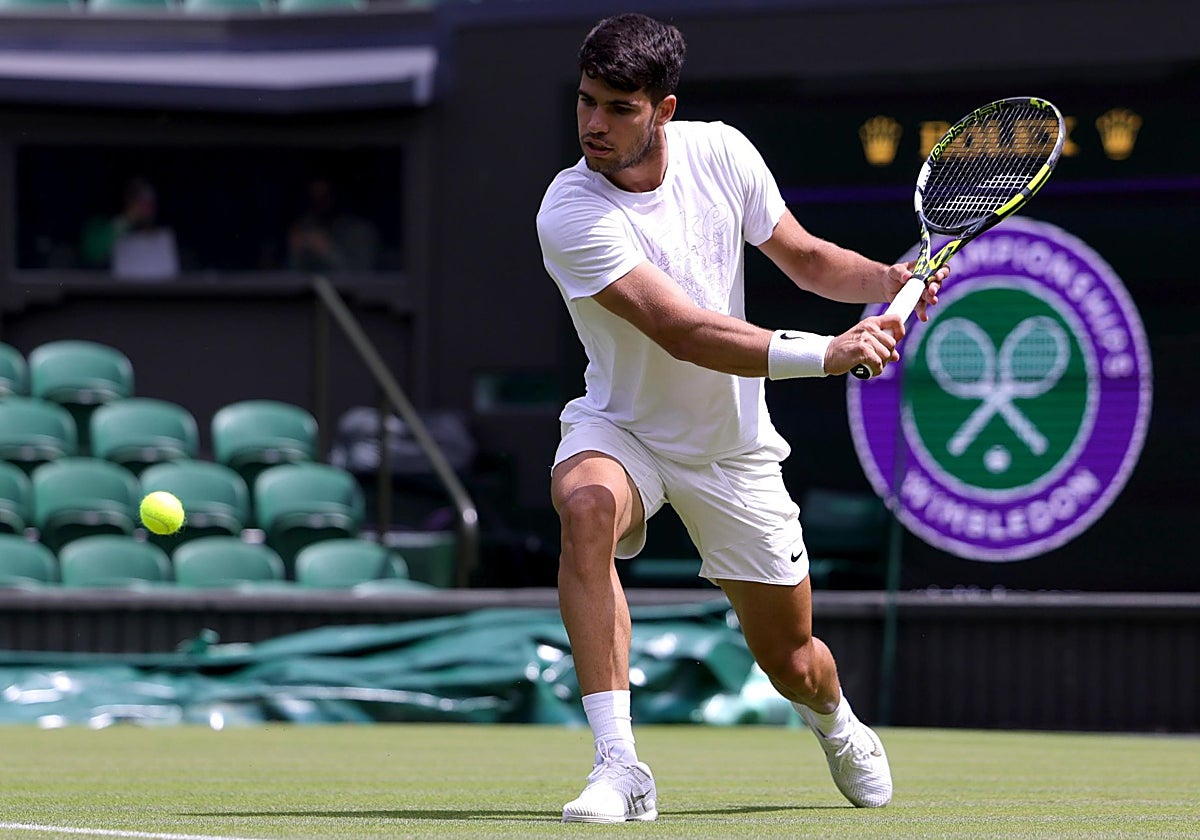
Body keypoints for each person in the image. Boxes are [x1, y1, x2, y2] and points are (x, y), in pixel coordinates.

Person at [536, 13, 949, 824]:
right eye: (587, 101)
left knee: (793, 661)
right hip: (624, 430)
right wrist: (830, 352)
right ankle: (620, 766)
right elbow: (684, 331)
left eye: (620, 107)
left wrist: (885, 278)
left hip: (732, 451)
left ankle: (835, 723)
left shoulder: (723, 152)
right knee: (585, 508)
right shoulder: (568, 211)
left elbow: (799, 255)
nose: (594, 123)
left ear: (665, 109)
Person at [287, 175, 379, 273]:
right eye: (314, 199)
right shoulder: (306, 227)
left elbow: (363, 277)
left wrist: (328, 250)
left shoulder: (361, 231)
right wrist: (295, 253)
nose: (319, 205)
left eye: (324, 198)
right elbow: (290, 279)